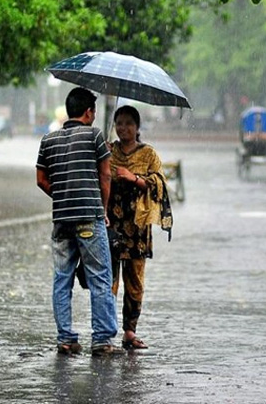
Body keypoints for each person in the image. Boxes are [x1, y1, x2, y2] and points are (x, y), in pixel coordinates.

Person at [36, 87, 121, 356]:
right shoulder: (95, 136)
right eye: (93, 112)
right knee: (99, 277)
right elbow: (105, 177)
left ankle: (66, 338)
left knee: (62, 279)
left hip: (61, 221)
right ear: (88, 112)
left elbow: (40, 179)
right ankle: (102, 340)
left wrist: (61, 195)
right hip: (89, 219)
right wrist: (102, 209)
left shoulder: (48, 140)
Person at [107, 105, 172, 350]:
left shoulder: (148, 154)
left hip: (138, 228)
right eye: (119, 123)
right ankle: (105, 330)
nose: (123, 128)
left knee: (134, 280)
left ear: (137, 127)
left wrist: (134, 178)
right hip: (111, 225)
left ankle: (129, 331)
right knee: (109, 280)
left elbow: (161, 185)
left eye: (128, 124)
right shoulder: (108, 150)